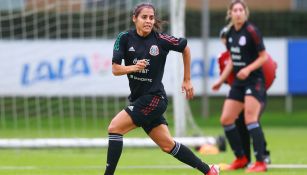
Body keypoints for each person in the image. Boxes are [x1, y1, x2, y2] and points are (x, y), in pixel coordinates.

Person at [104, 2, 219, 175]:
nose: (148, 21)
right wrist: (133, 68)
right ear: (134, 18)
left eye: (151, 18)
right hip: (139, 99)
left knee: (114, 127)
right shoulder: (124, 38)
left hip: (155, 99)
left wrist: (187, 80)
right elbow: (115, 69)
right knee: (168, 145)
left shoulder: (161, 40)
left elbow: (185, 48)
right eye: (144, 17)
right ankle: (209, 170)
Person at [212, 0, 270, 172]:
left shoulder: (252, 31)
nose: (238, 13)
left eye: (240, 10)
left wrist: (248, 69)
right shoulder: (230, 33)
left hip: (254, 81)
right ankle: (241, 158)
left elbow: (263, 57)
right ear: (230, 13)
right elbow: (231, 59)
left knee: (250, 119)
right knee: (226, 119)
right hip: (239, 82)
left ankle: (260, 162)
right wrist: (221, 80)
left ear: (245, 12)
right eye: (235, 10)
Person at [218, 26, 276, 166]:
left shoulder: (250, 52)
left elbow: (266, 68)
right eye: (225, 38)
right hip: (238, 93)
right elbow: (227, 78)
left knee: (251, 120)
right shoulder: (223, 58)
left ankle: (263, 155)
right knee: (237, 124)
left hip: (254, 91)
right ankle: (243, 157)